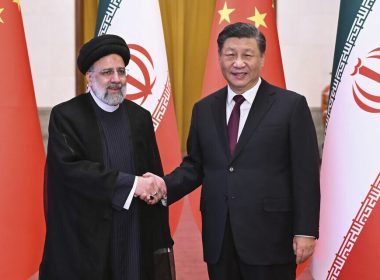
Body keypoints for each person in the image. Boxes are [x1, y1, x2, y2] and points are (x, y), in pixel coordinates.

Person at [146, 22, 320, 280]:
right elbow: (195, 166)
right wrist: (161, 186)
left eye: (247, 55)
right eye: (230, 55)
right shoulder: (203, 109)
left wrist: (305, 230)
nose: (238, 63)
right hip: (220, 236)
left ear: (261, 58)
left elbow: (305, 173)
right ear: (220, 58)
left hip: (270, 236)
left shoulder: (290, 106)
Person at [39, 34, 173, 280]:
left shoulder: (140, 117)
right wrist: (133, 185)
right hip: (88, 236)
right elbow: (73, 173)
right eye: (107, 72)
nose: (116, 80)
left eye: (121, 72)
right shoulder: (67, 116)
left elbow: (152, 170)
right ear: (89, 77)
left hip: (133, 230)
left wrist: (154, 187)